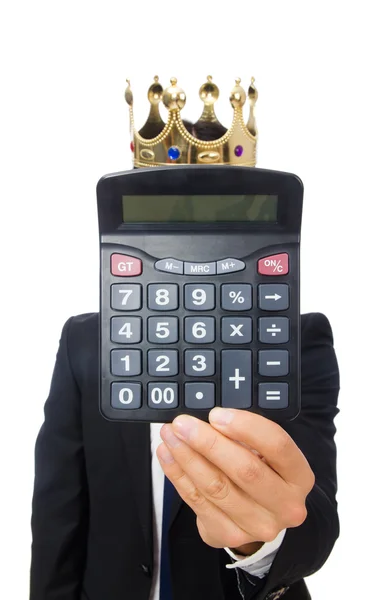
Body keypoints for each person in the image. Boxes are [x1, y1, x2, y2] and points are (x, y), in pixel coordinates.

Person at [30, 120, 340, 600]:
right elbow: (58, 511)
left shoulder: (298, 340)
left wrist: (261, 540)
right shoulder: (82, 343)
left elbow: (317, 517)